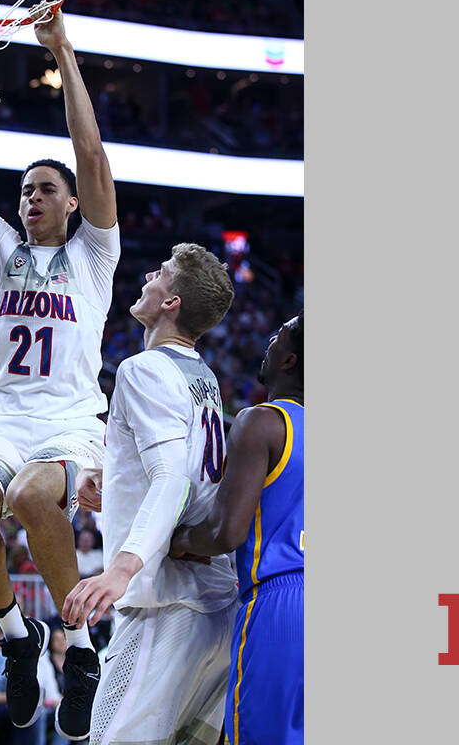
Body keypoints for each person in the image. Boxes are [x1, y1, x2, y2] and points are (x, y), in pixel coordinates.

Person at [0, 4, 119, 741]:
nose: (30, 197)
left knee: (36, 494)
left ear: (72, 204)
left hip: (72, 419)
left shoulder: (94, 256)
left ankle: (78, 647)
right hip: (9, 416)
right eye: (25, 191)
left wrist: (62, 51)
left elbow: (93, 153)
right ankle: (18, 636)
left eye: (46, 189)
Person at [62, 245, 243, 745]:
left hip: (166, 604)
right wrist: (112, 480)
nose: (148, 275)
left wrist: (119, 569)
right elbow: (184, 473)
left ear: (171, 302)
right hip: (214, 606)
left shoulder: (143, 369)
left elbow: (171, 479)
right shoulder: (201, 376)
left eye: (161, 273)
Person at [170, 312, 304, 745]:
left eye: (277, 337)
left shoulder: (262, 421)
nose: (268, 343)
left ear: (289, 361)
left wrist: (175, 540)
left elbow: (226, 533)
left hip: (283, 601)